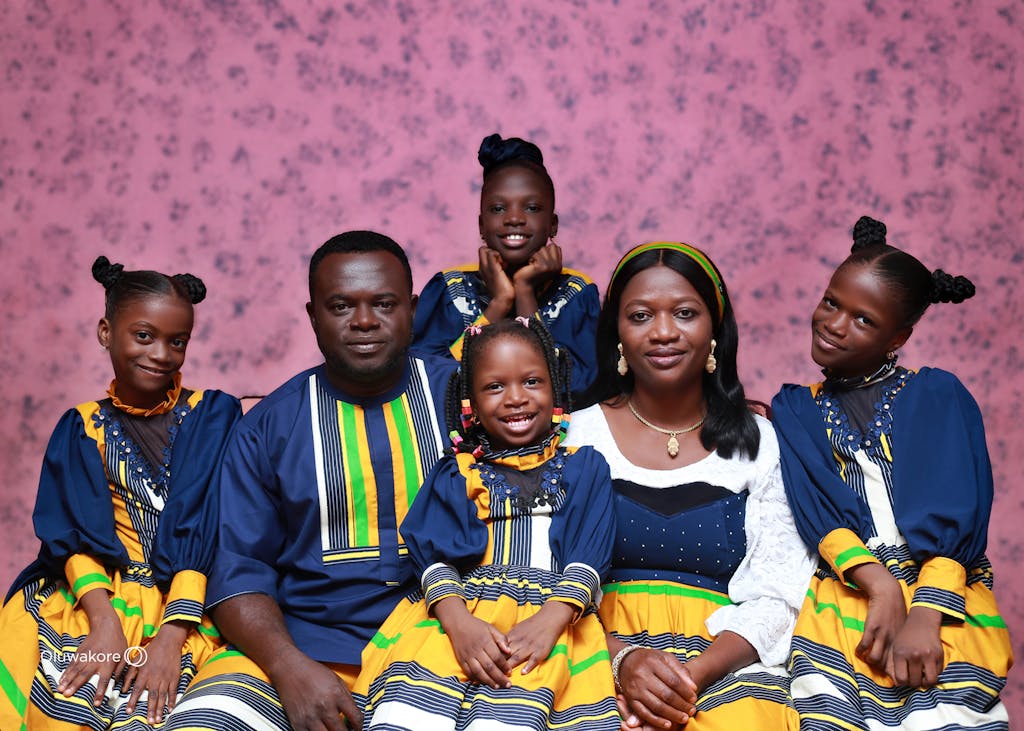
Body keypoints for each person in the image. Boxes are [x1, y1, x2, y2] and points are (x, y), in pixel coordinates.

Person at [162, 231, 454, 731]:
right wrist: (287, 667)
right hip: (302, 645)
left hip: (443, 641)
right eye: (341, 305)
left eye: (383, 303)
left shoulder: (467, 397)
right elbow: (239, 569)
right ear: (313, 315)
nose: (364, 321)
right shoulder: (269, 425)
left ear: (412, 308)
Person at [771, 216, 1013, 729]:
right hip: (846, 589)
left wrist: (926, 612)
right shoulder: (795, 409)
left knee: (943, 711)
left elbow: (955, 507)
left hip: (938, 590)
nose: (835, 323)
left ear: (899, 335)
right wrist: (877, 585)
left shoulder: (935, 395)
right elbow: (818, 509)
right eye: (832, 301)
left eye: (864, 319)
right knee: (826, 708)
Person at [566, 241, 815, 730]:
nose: (662, 332)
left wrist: (688, 678)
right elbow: (536, 569)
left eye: (684, 313)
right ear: (615, 331)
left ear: (715, 329)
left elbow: (778, 592)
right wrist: (621, 661)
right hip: (589, 647)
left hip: (723, 663)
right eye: (639, 316)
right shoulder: (572, 434)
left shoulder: (760, 442)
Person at [0, 256, 241, 730]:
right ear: (106, 333)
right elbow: (70, 532)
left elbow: (211, 526)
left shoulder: (213, 416)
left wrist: (172, 637)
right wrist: (104, 621)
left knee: (166, 708)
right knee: (56, 689)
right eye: (144, 336)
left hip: (187, 602)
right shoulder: (80, 426)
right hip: (98, 595)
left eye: (178, 342)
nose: (162, 354)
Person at [354, 317, 620, 730]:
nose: (516, 398)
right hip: (460, 614)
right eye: (495, 387)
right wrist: (458, 624)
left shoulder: (583, 467)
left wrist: (552, 619)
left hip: (553, 617)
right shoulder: (457, 473)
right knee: (412, 712)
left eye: (532, 382)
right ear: (471, 406)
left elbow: (589, 553)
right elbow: (433, 556)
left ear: (554, 391)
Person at [411, 132, 600, 396]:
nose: (514, 218)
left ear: (553, 224)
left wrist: (524, 292)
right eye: (498, 209)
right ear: (481, 225)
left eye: (532, 208)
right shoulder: (449, 289)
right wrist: (499, 304)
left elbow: (572, 387)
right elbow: (429, 381)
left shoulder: (576, 293)